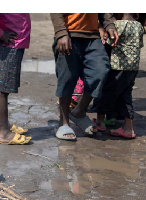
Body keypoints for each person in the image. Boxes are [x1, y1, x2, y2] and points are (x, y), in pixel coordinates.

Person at [50, 13, 118, 141]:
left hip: (92, 36)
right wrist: (61, 33)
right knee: (67, 78)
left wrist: (108, 24)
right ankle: (63, 122)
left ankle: (79, 111)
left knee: (100, 70)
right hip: (69, 33)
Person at [0, 13, 32, 145]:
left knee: (5, 87)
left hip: (16, 42)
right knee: (3, 88)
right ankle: (4, 133)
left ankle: (4, 126)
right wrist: (0, 34)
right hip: (10, 43)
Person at [92, 14, 145, 139]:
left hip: (117, 66)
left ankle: (100, 122)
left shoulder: (117, 25)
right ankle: (128, 128)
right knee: (126, 95)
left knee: (105, 92)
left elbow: (108, 43)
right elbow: (139, 45)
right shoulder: (139, 26)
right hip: (132, 67)